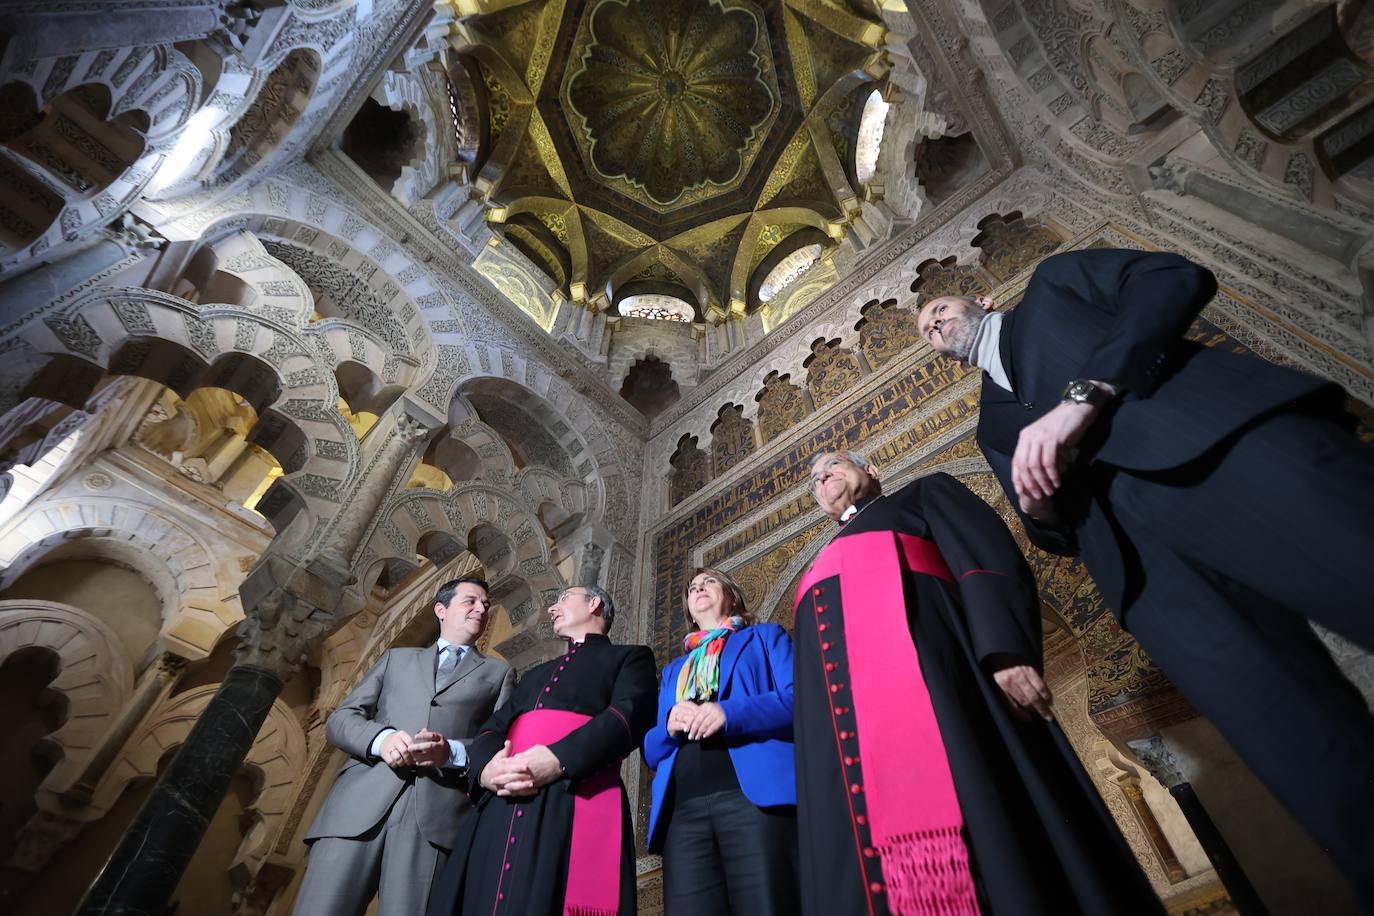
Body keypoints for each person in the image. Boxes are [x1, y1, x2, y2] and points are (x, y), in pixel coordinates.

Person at [917, 246, 1374, 901]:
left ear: (981, 300)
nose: (933, 324)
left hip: (1222, 457)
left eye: (938, 308)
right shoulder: (992, 427)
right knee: (1306, 752)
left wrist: (1085, 395)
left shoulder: (1051, 288)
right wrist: (1040, 508)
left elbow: (1172, 279)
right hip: (1150, 576)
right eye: (926, 330)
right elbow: (1051, 537)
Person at [794, 450, 1161, 915]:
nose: (822, 477)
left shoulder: (924, 494)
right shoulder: (819, 560)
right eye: (814, 479)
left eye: (833, 465)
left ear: (872, 470)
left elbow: (984, 557)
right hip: (864, 741)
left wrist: (1005, 649)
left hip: (948, 690)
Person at [426, 584, 657, 916]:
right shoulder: (535, 674)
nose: (552, 608)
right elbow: (492, 728)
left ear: (594, 604)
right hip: (504, 796)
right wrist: (488, 770)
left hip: (571, 796)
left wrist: (558, 758)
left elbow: (627, 715)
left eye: (563, 599)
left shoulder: (630, 657)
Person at [293, 576, 515, 916]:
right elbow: (342, 719)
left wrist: (451, 752)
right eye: (470, 601)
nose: (481, 609)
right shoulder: (396, 659)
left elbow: (497, 744)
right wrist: (381, 739)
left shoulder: (499, 674)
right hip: (358, 806)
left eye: (485, 604)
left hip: (435, 818)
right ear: (441, 610)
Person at [644, 567, 799, 916]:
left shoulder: (764, 638)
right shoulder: (674, 670)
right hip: (683, 814)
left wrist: (729, 713)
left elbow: (800, 700)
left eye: (709, 582)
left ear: (731, 595)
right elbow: (651, 751)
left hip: (752, 800)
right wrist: (668, 726)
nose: (699, 588)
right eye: (692, 588)